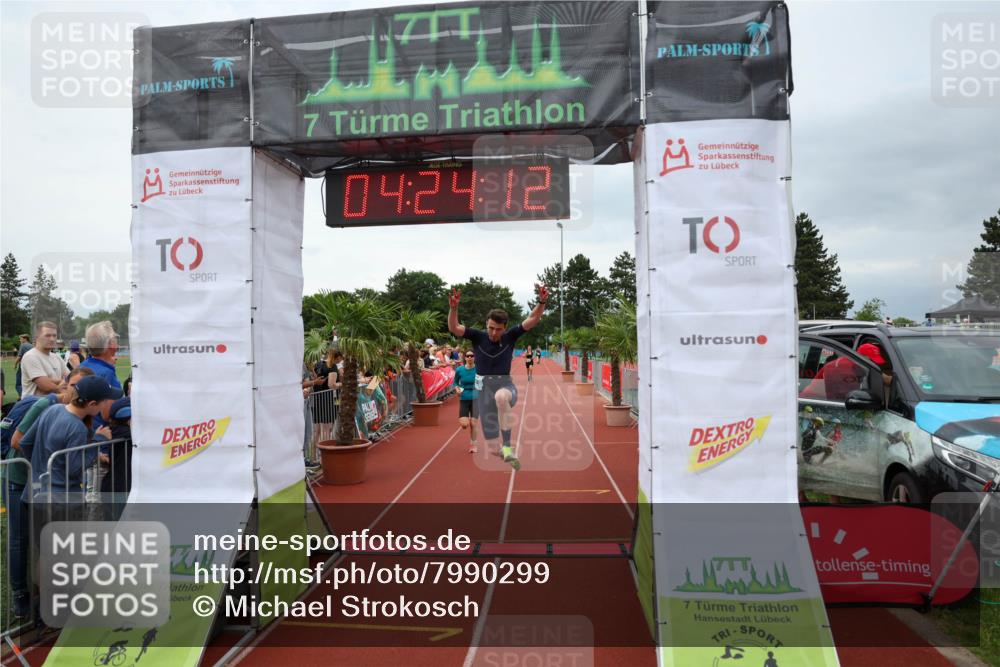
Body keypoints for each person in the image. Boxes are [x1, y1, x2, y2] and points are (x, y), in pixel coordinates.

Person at [448, 284, 549, 469]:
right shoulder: (477, 336)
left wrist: (542, 302)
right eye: (491, 328)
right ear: (486, 324)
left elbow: (533, 318)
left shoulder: (510, 336)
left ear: (505, 327)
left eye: (499, 329)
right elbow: (454, 327)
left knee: (501, 397)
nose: (494, 333)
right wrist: (453, 308)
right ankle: (504, 453)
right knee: (494, 448)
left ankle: (508, 447)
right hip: (484, 393)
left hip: (505, 386)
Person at [20, 321, 68, 397]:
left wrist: (56, 381)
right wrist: (62, 385)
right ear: (37, 337)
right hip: (35, 403)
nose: (52, 339)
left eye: (54, 336)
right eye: (47, 335)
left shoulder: (56, 357)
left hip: (54, 403)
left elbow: (70, 378)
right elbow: (45, 386)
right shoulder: (30, 356)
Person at [453, 349, 480, 453]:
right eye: (468, 356)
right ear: (464, 358)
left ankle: (473, 444)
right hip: (464, 398)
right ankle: (466, 422)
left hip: (476, 398)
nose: (470, 358)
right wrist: (457, 389)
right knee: (464, 425)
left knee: (473, 423)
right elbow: (455, 382)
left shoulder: (479, 369)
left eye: (471, 356)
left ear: (474, 357)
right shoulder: (460, 370)